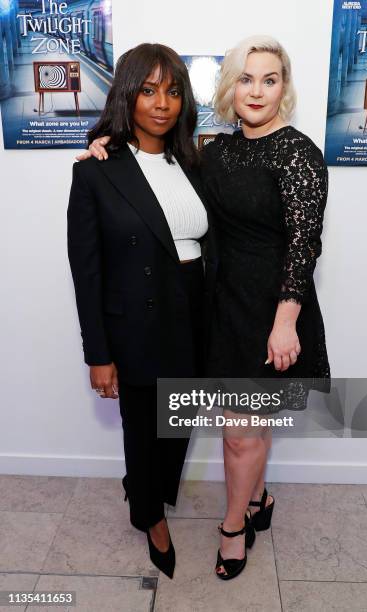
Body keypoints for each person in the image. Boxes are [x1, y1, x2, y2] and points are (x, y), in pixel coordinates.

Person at [80, 35, 330, 582]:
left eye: (270, 79)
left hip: (270, 312)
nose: (257, 90)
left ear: (285, 87)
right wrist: (99, 141)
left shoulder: (299, 153)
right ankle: (258, 497)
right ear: (229, 86)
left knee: (241, 428)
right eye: (245, 77)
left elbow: (304, 243)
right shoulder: (210, 150)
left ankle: (233, 528)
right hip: (218, 309)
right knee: (243, 424)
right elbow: (145, 171)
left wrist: (286, 320)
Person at [67, 43, 217, 579]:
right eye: (149, 90)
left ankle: (150, 488)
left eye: (173, 91)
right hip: (137, 323)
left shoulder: (196, 162)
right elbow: (86, 274)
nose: (162, 103)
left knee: (179, 422)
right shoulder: (96, 171)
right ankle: (150, 516)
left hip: (195, 313)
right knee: (143, 429)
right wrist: (98, 354)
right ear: (128, 93)